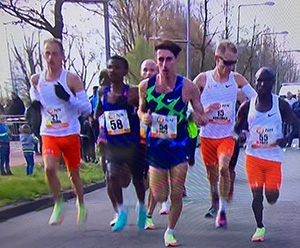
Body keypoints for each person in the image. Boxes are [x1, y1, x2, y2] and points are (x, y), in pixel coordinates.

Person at [138, 41, 208, 246]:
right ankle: (157, 202)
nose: (164, 63)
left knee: (177, 193)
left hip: (179, 146)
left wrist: (201, 117)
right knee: (160, 194)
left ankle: (170, 231)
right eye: (160, 59)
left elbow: (200, 114)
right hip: (156, 147)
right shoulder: (146, 86)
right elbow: (140, 110)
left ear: (176, 60)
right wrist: (144, 117)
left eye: (168, 59)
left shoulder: (187, 86)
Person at [193, 40, 257, 228]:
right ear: (216, 59)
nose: (230, 67)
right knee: (212, 176)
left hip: (227, 137)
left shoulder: (237, 79)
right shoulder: (203, 80)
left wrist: (244, 120)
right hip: (207, 137)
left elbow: (255, 99)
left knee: (223, 168)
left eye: (233, 63)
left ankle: (221, 210)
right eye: (226, 62)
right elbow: (189, 105)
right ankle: (215, 200)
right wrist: (202, 114)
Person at [30, 38, 91, 226]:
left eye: (54, 53)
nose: (50, 58)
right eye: (47, 54)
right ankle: (58, 203)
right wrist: (34, 104)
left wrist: (69, 99)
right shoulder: (37, 79)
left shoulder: (71, 79)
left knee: (74, 174)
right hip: (49, 132)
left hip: (70, 132)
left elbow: (87, 108)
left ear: (62, 56)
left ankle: (81, 203)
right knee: (49, 169)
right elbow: (35, 95)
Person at [234, 67, 297, 242]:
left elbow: (296, 125)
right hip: (253, 157)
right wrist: (240, 136)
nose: (262, 84)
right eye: (259, 80)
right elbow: (237, 129)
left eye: (266, 81)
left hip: (273, 158)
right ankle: (259, 227)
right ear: (255, 82)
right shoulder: (247, 106)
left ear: (272, 83)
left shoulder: (281, 105)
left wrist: (287, 138)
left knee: (271, 197)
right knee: (256, 195)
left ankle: (272, 195)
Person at [97, 55, 146, 232]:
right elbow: (98, 113)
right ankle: (120, 210)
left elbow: (142, 111)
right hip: (113, 145)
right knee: (111, 176)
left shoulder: (133, 92)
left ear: (125, 71)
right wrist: (95, 119)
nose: (113, 71)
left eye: (117, 68)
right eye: (110, 67)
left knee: (138, 180)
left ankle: (141, 206)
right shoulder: (102, 92)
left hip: (132, 144)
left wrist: (128, 106)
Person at [139, 59, 169, 230]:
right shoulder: (140, 90)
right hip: (139, 142)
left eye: (152, 69)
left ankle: (149, 213)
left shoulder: (165, 89)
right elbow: (137, 111)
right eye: (145, 70)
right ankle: (145, 203)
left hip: (159, 141)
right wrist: (143, 116)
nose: (149, 73)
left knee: (154, 179)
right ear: (141, 72)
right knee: (142, 180)